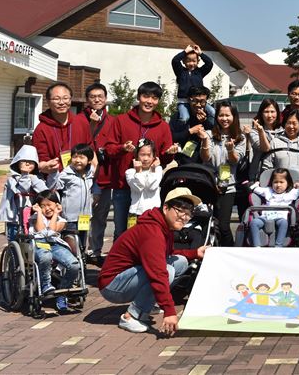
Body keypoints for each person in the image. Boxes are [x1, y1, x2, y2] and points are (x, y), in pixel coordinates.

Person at [98, 187, 208, 334]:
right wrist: (169, 311)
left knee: (180, 261)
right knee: (166, 271)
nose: (184, 217)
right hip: (112, 285)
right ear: (166, 208)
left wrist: (194, 253)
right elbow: (158, 272)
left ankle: (147, 303)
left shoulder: (164, 226)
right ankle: (130, 317)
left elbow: (165, 253)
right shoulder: (152, 232)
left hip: (128, 276)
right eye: (180, 211)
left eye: (188, 214)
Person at [115, 82, 180, 238]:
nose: (149, 101)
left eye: (154, 98)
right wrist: (122, 148)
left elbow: (164, 157)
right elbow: (109, 147)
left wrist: (169, 153)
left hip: (150, 193)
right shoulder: (121, 120)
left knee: (149, 234)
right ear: (138, 97)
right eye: (146, 96)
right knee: (122, 232)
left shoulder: (163, 126)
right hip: (124, 186)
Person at [195, 100, 245, 246]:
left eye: (227, 115)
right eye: (221, 115)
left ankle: (230, 251)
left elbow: (235, 160)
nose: (224, 118)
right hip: (209, 184)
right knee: (210, 224)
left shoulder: (240, 137)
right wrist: (205, 141)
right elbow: (205, 158)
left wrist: (230, 149)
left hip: (228, 187)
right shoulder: (209, 134)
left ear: (234, 116)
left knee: (223, 226)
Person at [83, 82, 122, 266]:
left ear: (106, 98)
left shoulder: (113, 121)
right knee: (82, 215)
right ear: (87, 100)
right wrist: (91, 125)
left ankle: (95, 251)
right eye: (93, 97)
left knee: (101, 214)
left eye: (100, 96)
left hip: (105, 174)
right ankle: (80, 249)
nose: (97, 99)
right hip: (83, 176)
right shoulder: (79, 120)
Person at [31, 190, 82, 314]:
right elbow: (41, 231)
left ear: (57, 204)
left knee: (74, 264)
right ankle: (45, 285)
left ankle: (62, 292)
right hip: (39, 244)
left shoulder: (61, 220)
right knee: (46, 257)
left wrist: (56, 214)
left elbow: (52, 230)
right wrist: (38, 212)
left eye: (49, 205)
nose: (47, 208)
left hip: (55, 245)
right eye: (43, 206)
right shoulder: (35, 217)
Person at [32, 82, 93, 177]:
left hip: (81, 177)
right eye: (56, 99)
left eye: (65, 98)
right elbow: (40, 160)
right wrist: (46, 166)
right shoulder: (41, 129)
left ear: (70, 99)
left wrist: (93, 173)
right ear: (48, 101)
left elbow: (90, 149)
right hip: (55, 179)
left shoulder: (81, 122)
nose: (61, 102)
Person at [240, 99, 282, 222]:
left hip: (278, 177)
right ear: (261, 114)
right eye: (266, 112)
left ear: (277, 113)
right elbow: (264, 148)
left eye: (272, 111)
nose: (270, 115)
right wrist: (261, 131)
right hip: (259, 177)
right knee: (258, 211)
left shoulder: (283, 131)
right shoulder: (254, 132)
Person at [0, 145, 50, 242]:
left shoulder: (37, 178)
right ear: (17, 162)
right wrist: (25, 174)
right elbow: (23, 189)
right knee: (14, 240)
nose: (27, 164)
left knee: (31, 239)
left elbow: (44, 191)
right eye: (24, 161)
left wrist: (33, 178)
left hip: (31, 216)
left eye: (31, 162)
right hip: (15, 218)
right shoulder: (12, 179)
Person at [55, 145, 96, 255]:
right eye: (74, 157)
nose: (77, 160)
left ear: (89, 160)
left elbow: (95, 184)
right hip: (70, 217)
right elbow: (55, 187)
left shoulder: (90, 173)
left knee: (82, 242)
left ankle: (81, 260)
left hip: (85, 216)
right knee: (71, 243)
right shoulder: (65, 174)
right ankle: (70, 261)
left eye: (81, 157)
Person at [249, 168, 299, 247]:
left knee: (283, 223)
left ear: (288, 183)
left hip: (281, 217)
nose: (278, 185)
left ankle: (278, 245)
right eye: (275, 182)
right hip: (266, 216)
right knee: (254, 222)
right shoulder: (268, 191)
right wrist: (256, 184)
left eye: (281, 182)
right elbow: (254, 189)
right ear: (271, 182)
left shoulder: (292, 192)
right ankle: (257, 245)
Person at [260, 109, 299, 181]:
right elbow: (267, 167)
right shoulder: (275, 142)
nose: (291, 126)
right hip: (280, 186)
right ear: (284, 124)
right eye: (288, 123)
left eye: (294, 123)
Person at [172, 44, 215, 125]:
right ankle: (182, 131)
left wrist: (200, 53)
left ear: (198, 61)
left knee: (212, 112)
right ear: (183, 61)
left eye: (194, 61)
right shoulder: (181, 72)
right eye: (188, 61)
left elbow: (209, 63)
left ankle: (215, 129)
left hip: (199, 102)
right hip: (184, 102)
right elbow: (175, 61)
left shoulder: (200, 72)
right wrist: (185, 52)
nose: (191, 63)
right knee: (185, 117)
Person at [125, 141, 163, 217]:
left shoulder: (158, 169)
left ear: (154, 157)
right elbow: (138, 188)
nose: (145, 159)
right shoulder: (130, 172)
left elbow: (152, 187)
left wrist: (152, 170)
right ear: (136, 156)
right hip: (135, 212)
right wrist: (138, 172)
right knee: (132, 225)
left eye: (149, 155)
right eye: (142, 155)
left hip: (153, 212)